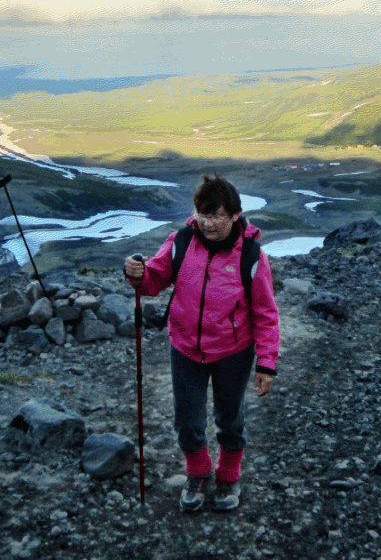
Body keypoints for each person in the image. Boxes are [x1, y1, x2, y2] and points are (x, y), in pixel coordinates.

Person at [124, 174, 280, 512]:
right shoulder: (180, 241)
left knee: (230, 418)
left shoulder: (250, 255)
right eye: (202, 214)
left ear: (235, 215)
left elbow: (266, 313)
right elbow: (152, 282)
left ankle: (228, 475)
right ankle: (197, 472)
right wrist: (136, 274)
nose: (207, 223)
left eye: (216, 216)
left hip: (233, 351)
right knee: (187, 420)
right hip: (185, 348)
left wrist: (267, 363)